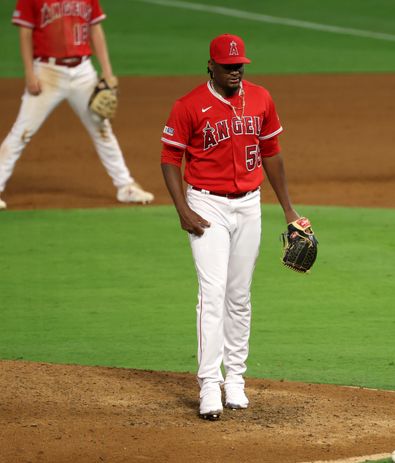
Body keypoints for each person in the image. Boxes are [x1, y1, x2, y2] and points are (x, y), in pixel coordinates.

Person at [160, 33, 309, 420]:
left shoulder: (260, 98)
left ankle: (235, 379)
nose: (235, 71)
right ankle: (209, 383)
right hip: (206, 204)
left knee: (239, 296)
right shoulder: (188, 106)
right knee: (213, 292)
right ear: (210, 65)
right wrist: (181, 209)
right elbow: (169, 158)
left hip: (249, 205)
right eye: (228, 66)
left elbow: (272, 153)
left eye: (240, 65)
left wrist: (289, 211)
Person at [0, 0, 154, 210]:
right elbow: (25, 33)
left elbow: (96, 29)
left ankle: (125, 186)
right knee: (23, 131)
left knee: (102, 129)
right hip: (47, 71)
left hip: (83, 72)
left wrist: (107, 72)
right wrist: (29, 73)